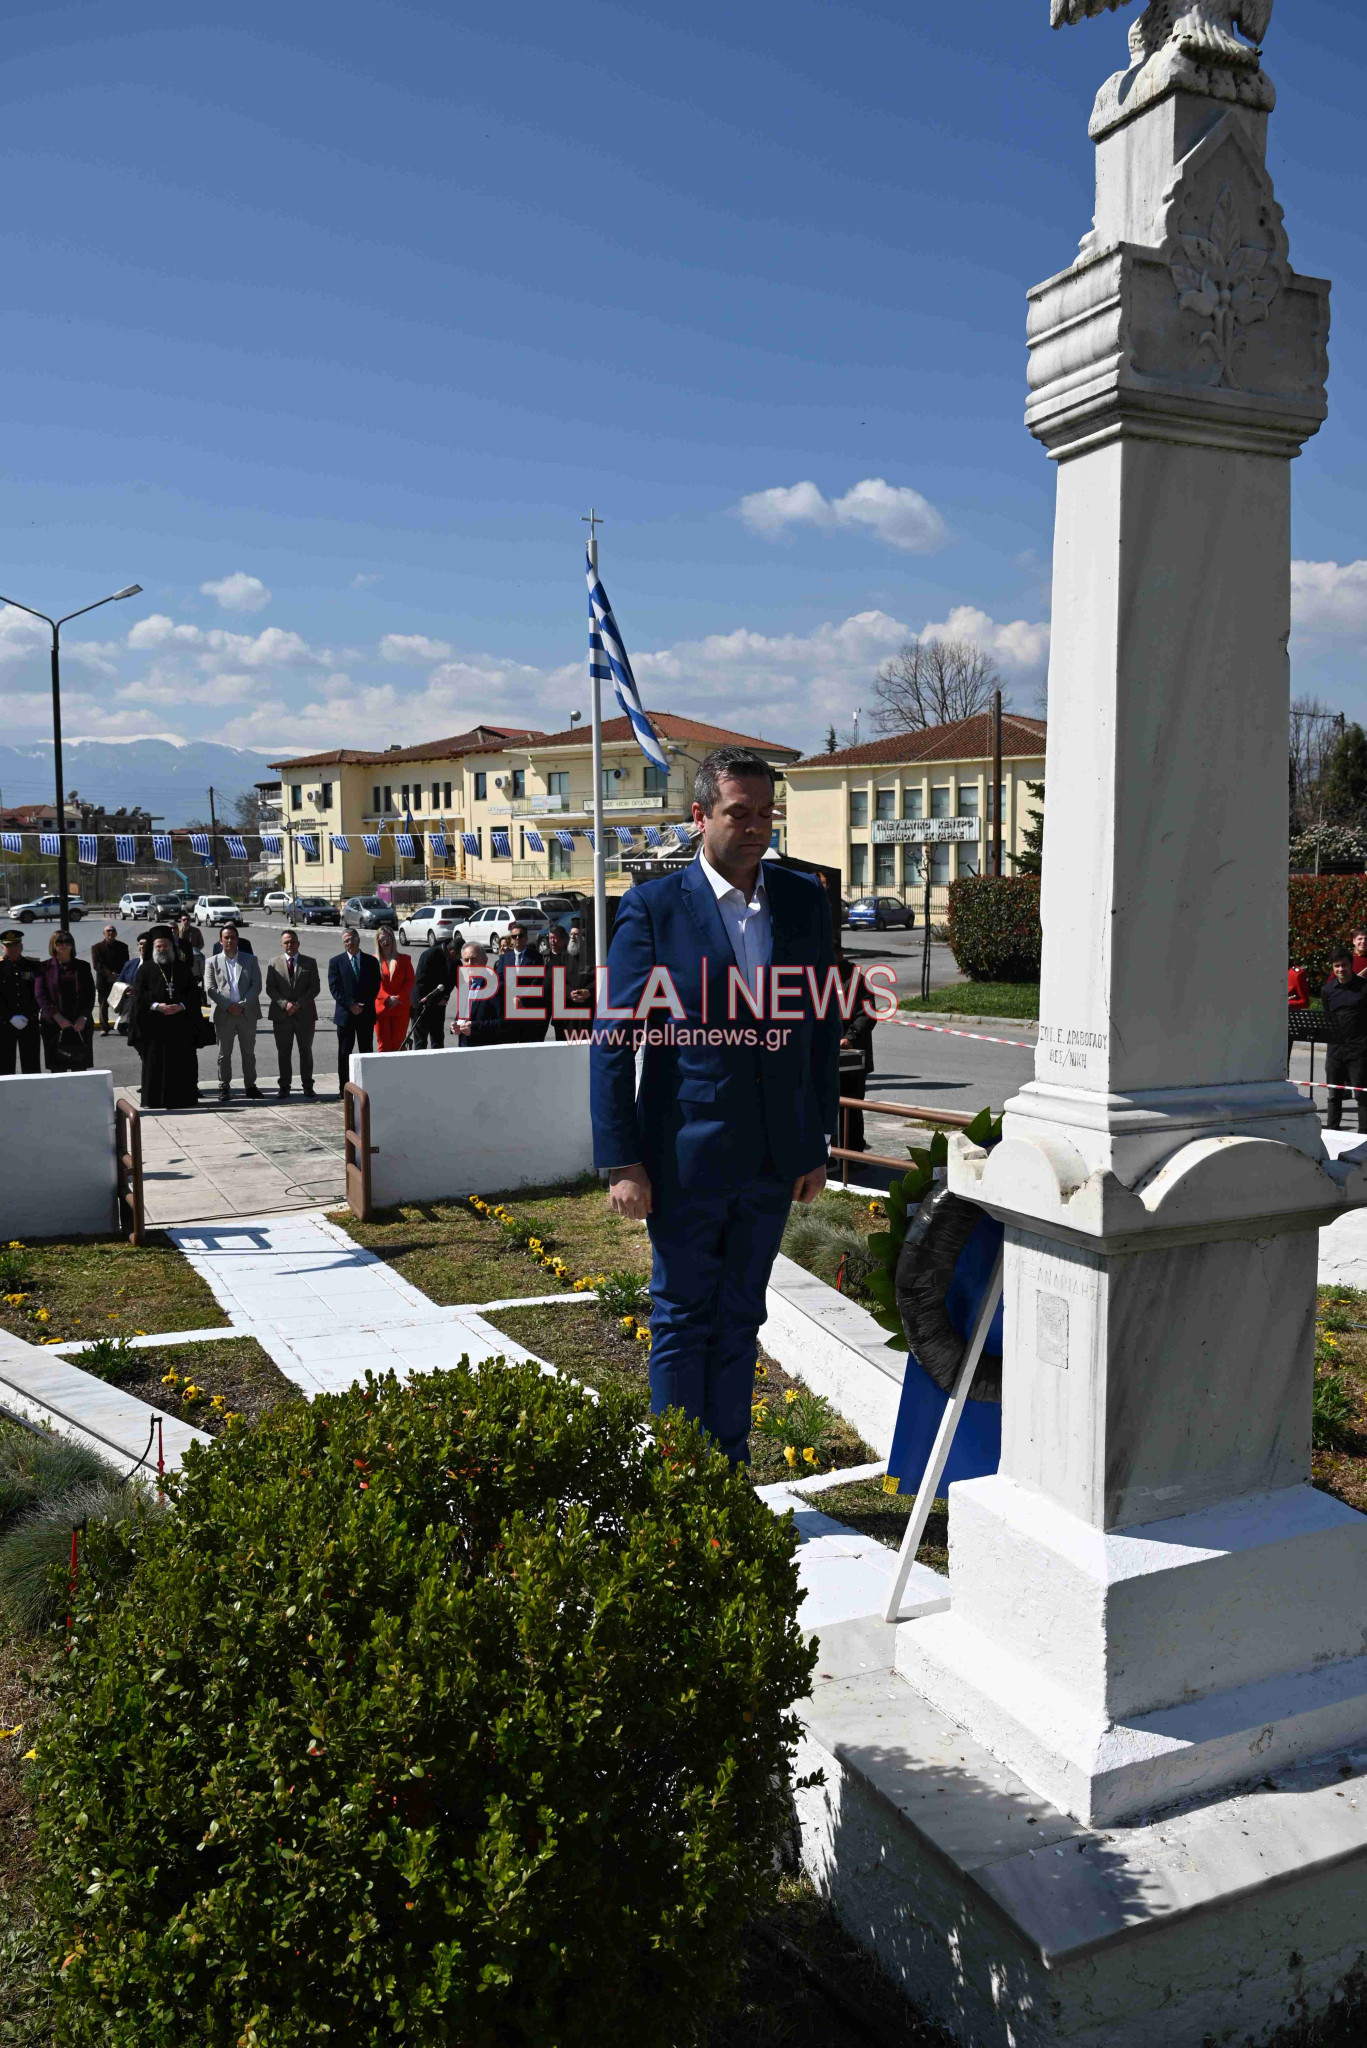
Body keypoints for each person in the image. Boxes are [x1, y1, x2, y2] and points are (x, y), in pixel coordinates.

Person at [590, 746, 840, 1468]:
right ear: (698, 817)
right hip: (682, 1160)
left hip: (774, 1158)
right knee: (681, 1318)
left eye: (767, 813)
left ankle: (726, 1476)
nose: (756, 826)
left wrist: (815, 1140)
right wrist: (623, 1159)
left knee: (740, 1319)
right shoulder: (654, 908)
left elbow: (818, 1027)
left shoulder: (799, 900)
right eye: (739, 812)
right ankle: (676, 1482)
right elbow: (613, 1039)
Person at [131, 926, 201, 1109]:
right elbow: (138, 995)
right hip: (155, 1024)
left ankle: (183, 1099)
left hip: (180, 1023)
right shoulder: (145, 969)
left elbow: (193, 993)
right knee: (155, 1063)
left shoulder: (182, 967)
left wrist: (181, 1005)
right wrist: (157, 1006)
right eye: (159, 946)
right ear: (153, 948)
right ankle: (154, 1100)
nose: (162, 949)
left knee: (181, 1063)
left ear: (171, 947)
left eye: (165, 946)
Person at [205, 922, 264, 1102]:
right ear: (221, 941)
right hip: (224, 1014)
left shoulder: (250, 960)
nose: (229, 940)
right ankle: (224, 1086)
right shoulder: (212, 962)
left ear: (238, 940)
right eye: (226, 938)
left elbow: (257, 985)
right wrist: (228, 1006)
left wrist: (242, 1005)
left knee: (249, 1053)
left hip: (247, 1013)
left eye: (233, 937)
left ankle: (250, 1086)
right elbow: (210, 988)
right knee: (224, 1054)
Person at [265, 927, 320, 1099]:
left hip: (304, 1014)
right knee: (283, 1052)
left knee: (306, 1051)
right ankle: (284, 1087)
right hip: (282, 1015)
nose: (290, 945)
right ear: (282, 945)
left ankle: (308, 1086)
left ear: (298, 943)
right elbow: (270, 989)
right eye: (286, 942)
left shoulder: (309, 962)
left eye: (293, 942)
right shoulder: (273, 963)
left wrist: (298, 1004)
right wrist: (285, 1004)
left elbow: (315, 988)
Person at [329, 928, 381, 1093]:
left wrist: (362, 1005)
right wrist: (351, 1005)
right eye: (346, 941)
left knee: (366, 1052)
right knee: (344, 1053)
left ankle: (368, 1085)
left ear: (358, 940)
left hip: (365, 1014)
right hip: (345, 1015)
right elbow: (335, 988)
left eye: (351, 939)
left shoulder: (371, 961)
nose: (349, 943)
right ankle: (343, 1088)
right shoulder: (335, 962)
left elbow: (375, 985)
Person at [37, 931, 96, 1072]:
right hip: (54, 1025)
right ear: (53, 945)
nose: (63, 945)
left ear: (72, 945)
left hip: (79, 1024)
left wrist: (83, 1017)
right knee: (58, 1072)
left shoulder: (83, 966)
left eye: (67, 942)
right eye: (59, 942)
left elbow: (90, 994)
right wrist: (58, 1018)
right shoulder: (43, 968)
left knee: (80, 1070)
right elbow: (40, 996)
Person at [1322, 948, 1367, 1133]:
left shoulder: (1364, 988)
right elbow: (1327, 1017)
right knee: (1334, 1095)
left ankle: (1364, 1137)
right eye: (1337, 966)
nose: (1341, 969)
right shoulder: (1327, 990)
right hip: (1335, 1051)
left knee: (1362, 1096)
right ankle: (1332, 1133)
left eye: (1344, 965)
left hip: (1359, 1051)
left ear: (1351, 965)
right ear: (1333, 968)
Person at [836, 949, 875, 1154]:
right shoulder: (820, 977)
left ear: (839, 955)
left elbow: (867, 1015)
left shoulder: (857, 980)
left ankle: (853, 1153)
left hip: (853, 1057)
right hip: (828, 1057)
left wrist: (849, 1038)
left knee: (851, 1108)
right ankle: (834, 1152)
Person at [496, 922, 547, 1044]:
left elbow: (537, 981)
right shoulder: (505, 958)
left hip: (528, 1008)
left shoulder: (536, 957)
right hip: (510, 1008)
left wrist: (521, 998)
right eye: (514, 936)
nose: (517, 938)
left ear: (526, 937)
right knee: (511, 1043)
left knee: (528, 1042)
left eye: (520, 935)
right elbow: (500, 979)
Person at [0, 928, 41, 1075]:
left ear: (21, 946)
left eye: (16, 945)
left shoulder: (33, 966)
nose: (12, 949)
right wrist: (9, 1017)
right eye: (8, 945)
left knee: (32, 1066)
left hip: (29, 1022)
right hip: (4, 1024)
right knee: (4, 1066)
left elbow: (39, 994)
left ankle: (32, 1097)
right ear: (2, 947)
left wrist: (28, 1014)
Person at [544, 920, 592, 1041]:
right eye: (571, 935)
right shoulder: (563, 957)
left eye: (576, 934)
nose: (573, 937)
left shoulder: (592, 957)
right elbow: (558, 982)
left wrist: (589, 991)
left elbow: (599, 978)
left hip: (586, 1010)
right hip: (568, 1012)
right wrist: (569, 993)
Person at [449, 942, 503, 1046]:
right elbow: (462, 1016)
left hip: (486, 1049)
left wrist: (475, 1027)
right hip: (464, 1048)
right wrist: (456, 1025)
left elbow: (505, 1024)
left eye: (474, 959)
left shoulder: (498, 986)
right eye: (466, 960)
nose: (469, 963)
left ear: (485, 960)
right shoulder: (465, 986)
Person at [413, 935, 459, 1049]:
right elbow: (420, 983)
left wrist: (445, 998)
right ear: (452, 951)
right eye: (460, 955)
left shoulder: (455, 961)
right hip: (421, 1004)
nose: (461, 958)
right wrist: (435, 1000)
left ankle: (438, 1066)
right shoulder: (429, 955)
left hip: (439, 1005)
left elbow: (455, 983)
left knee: (438, 1040)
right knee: (420, 1041)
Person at [374, 924, 414, 1051]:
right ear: (378, 942)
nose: (386, 942)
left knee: (399, 1044)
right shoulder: (373, 961)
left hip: (400, 1006)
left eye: (388, 938)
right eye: (382, 939)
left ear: (393, 939)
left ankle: (401, 1070)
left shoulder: (404, 959)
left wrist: (398, 998)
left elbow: (410, 981)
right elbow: (372, 985)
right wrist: (386, 998)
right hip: (381, 1007)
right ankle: (385, 1071)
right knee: (383, 1044)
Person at [90, 924, 130, 1035]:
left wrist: (118, 975)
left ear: (116, 933)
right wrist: (109, 974)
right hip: (104, 980)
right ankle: (104, 1027)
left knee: (122, 1004)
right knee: (103, 1005)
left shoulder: (123, 947)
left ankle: (122, 1027)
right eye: (108, 931)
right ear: (104, 933)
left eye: (112, 931)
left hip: (119, 979)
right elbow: (97, 965)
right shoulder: (96, 947)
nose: (110, 932)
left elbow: (126, 963)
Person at [115, 934, 151, 1039]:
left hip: (145, 1007)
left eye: (145, 945)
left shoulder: (154, 965)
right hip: (128, 1003)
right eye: (140, 944)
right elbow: (119, 981)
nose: (142, 947)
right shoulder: (130, 964)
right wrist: (125, 991)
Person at [175, 912, 205, 985]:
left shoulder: (196, 931)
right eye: (184, 920)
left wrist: (195, 949)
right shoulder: (177, 931)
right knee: (183, 959)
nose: (186, 921)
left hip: (194, 951)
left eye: (188, 919)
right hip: (181, 952)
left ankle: (198, 975)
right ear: (181, 921)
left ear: (190, 921)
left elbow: (201, 944)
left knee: (199, 957)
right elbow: (176, 944)